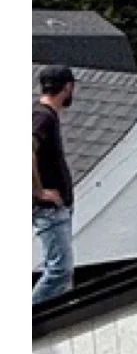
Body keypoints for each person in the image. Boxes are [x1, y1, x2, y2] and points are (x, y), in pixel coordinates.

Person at [33, 65, 77, 304]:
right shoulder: (43, 117)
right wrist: (39, 192)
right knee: (60, 271)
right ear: (68, 87)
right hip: (50, 210)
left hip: (56, 209)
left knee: (63, 277)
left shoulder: (45, 115)